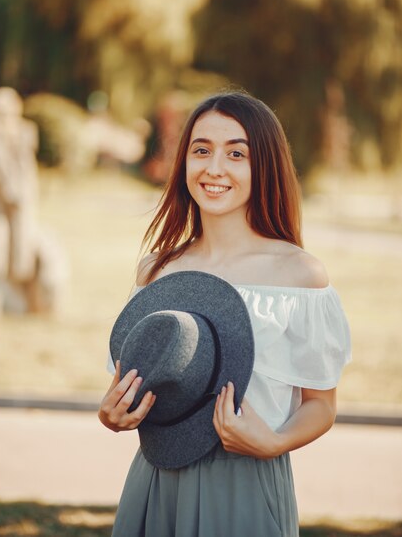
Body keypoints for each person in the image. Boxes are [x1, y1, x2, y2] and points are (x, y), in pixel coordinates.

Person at [99, 91, 351, 537]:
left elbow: (321, 406)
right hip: (156, 478)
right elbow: (128, 381)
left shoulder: (299, 275)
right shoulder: (157, 270)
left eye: (236, 153)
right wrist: (113, 413)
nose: (214, 168)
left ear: (265, 165)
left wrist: (274, 442)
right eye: (201, 150)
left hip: (247, 479)